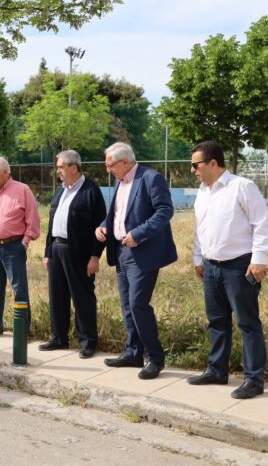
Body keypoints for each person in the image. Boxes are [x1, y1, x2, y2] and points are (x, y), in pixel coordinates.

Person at [187, 141, 268, 399]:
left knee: (248, 324)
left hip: (239, 266)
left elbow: (261, 224)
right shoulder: (203, 192)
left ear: (213, 163)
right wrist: (198, 258)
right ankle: (217, 370)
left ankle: (254, 380)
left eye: (196, 165)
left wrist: (259, 259)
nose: (193, 170)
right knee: (217, 321)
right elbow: (201, 228)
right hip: (211, 267)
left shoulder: (241, 187)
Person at [95, 142, 177, 380]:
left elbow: (164, 211)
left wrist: (138, 234)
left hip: (143, 252)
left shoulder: (151, 178)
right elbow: (117, 215)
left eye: (110, 165)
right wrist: (103, 227)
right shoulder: (119, 182)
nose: (108, 169)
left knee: (138, 304)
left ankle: (155, 358)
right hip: (120, 251)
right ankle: (133, 352)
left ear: (124, 162)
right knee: (127, 305)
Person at [41, 150, 106, 357]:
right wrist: (47, 253)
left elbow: (101, 226)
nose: (57, 171)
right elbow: (52, 224)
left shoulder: (90, 191)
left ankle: (87, 341)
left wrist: (95, 256)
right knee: (57, 295)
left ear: (74, 167)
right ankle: (59, 338)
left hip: (79, 253)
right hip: (57, 249)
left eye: (60, 167)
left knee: (82, 297)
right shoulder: (60, 191)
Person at [0, 157, 40, 338]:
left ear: (6, 172)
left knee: (19, 288)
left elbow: (33, 219)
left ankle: (23, 329)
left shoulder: (22, 190)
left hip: (14, 246)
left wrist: (25, 242)